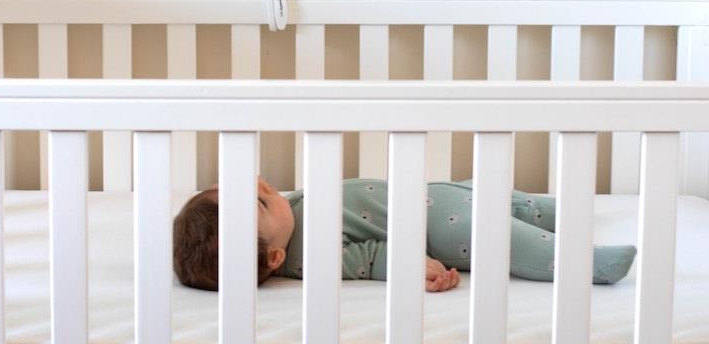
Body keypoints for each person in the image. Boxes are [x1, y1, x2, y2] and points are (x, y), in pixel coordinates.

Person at [172, 176, 636, 291]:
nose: (262, 185)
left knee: (505, 198)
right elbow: (373, 256)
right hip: (443, 228)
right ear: (274, 258)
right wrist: (416, 266)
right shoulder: (306, 255)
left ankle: (557, 212)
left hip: (438, 193)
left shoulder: (285, 218)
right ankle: (592, 263)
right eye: (258, 201)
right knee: (501, 235)